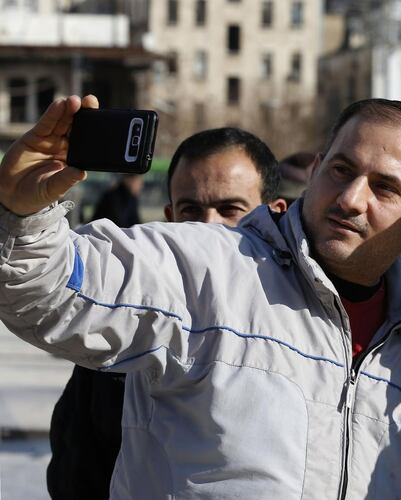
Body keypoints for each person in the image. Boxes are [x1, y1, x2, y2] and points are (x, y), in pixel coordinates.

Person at [0, 96, 401, 498]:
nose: (352, 199)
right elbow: (49, 291)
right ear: (316, 170)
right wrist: (21, 214)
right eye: (342, 171)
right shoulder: (205, 266)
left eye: (385, 187)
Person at [47, 126, 284, 500]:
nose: (208, 227)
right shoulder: (125, 327)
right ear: (170, 215)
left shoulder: (306, 326)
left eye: (230, 209)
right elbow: (77, 465)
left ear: (274, 214)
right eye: (191, 210)